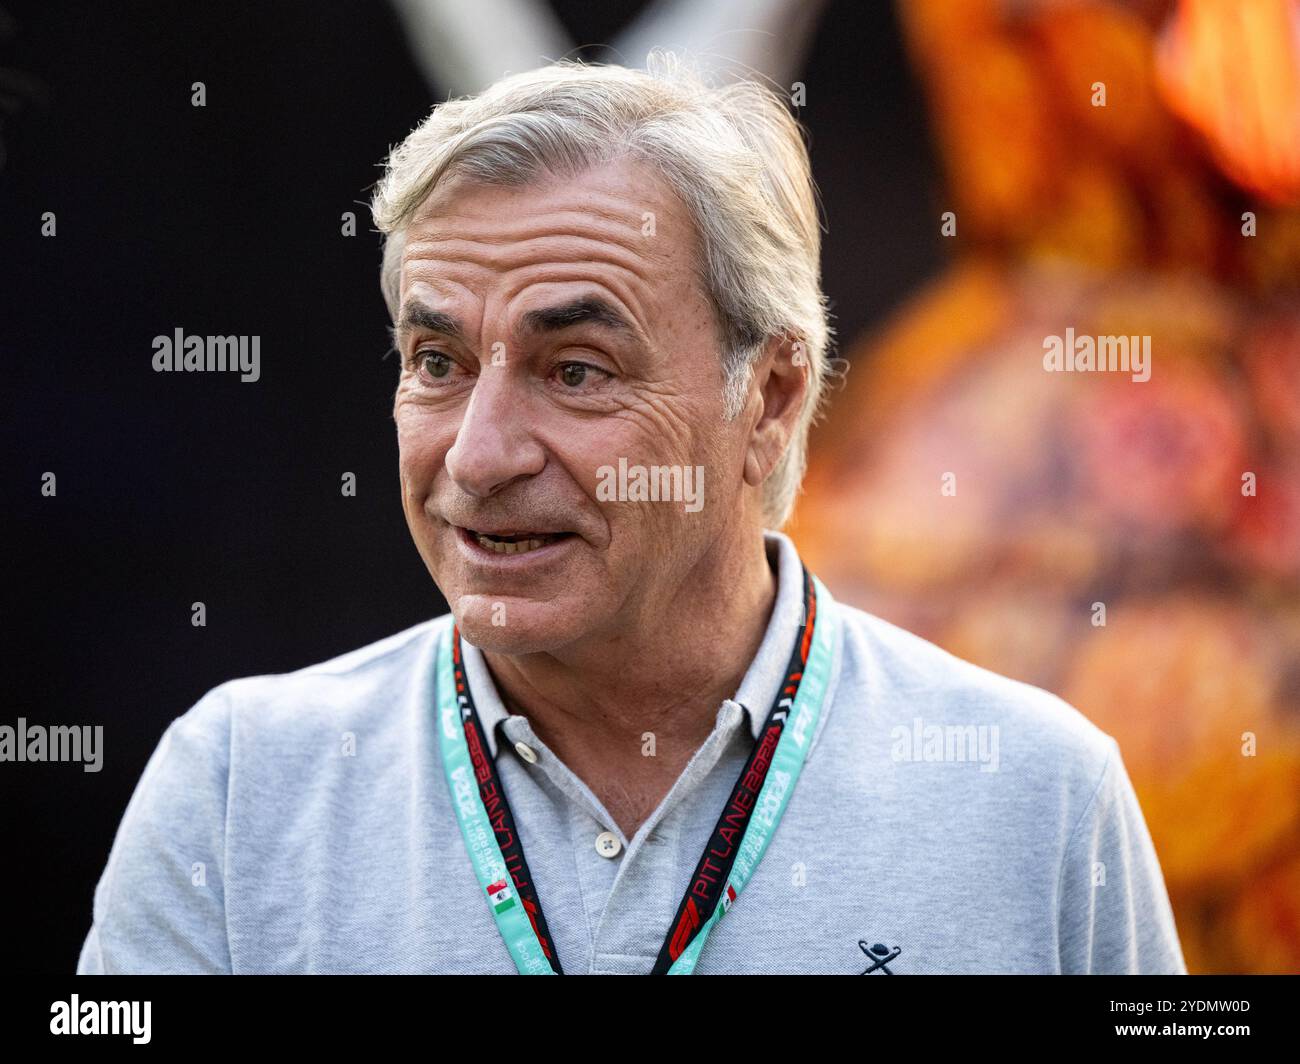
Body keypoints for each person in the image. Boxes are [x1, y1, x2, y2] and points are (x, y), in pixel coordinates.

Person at [76, 56, 1186, 975]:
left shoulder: (1038, 800)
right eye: (436, 361)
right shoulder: (237, 791)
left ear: (772, 396)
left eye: (576, 370)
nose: (479, 453)